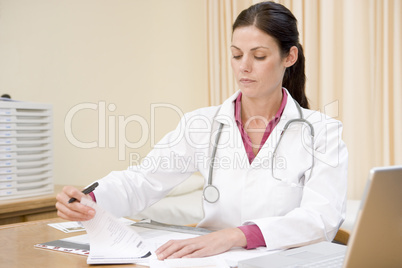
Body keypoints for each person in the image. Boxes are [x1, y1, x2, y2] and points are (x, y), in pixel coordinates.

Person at [56, 1, 348, 260]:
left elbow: (322, 218)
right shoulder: (201, 124)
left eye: (258, 56)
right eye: (236, 55)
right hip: (216, 260)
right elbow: (144, 180)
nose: (244, 67)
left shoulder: (322, 132)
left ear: (290, 57)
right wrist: (90, 199)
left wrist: (236, 235)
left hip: (284, 259)